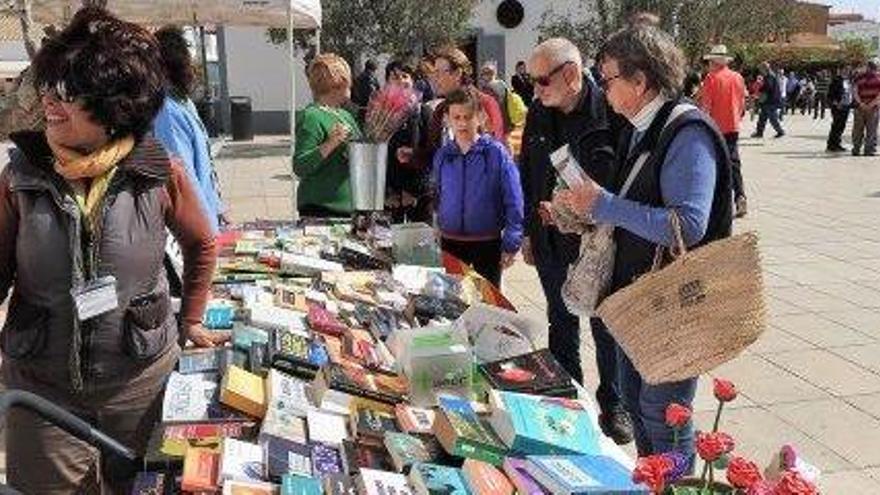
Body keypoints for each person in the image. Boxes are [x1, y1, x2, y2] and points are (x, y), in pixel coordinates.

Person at [0, 8, 221, 492]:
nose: (50, 101)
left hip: (139, 385)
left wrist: (194, 320)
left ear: (113, 105)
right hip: (42, 389)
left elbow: (203, 242)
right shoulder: (20, 175)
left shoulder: (160, 170)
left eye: (69, 92)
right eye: (50, 86)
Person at [554, 22, 732, 466]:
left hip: (673, 303)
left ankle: (675, 484)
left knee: (664, 414)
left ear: (640, 80)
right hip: (639, 299)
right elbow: (634, 204)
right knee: (637, 402)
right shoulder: (640, 127)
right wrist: (586, 209)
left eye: (608, 77)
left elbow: (687, 225)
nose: (603, 87)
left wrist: (606, 204)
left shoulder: (687, 131)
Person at [519, 37, 633, 445]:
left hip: (599, 244)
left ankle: (614, 404)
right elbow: (529, 172)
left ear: (570, 74)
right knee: (560, 321)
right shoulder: (538, 112)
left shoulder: (612, 113)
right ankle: (569, 393)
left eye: (541, 79)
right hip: (550, 241)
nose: (534, 88)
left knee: (605, 326)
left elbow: (625, 182)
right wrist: (530, 231)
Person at [432, 87, 523, 288]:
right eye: (457, 117)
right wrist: (437, 225)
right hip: (451, 242)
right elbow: (438, 193)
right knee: (454, 301)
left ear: (480, 117)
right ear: (447, 119)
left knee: (487, 303)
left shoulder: (495, 153)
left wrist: (512, 239)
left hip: (486, 243)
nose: (463, 123)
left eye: (468, 117)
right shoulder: (443, 155)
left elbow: (513, 198)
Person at [153, 25, 226, 232]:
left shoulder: (183, 102)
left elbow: (203, 168)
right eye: (188, 61)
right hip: (194, 232)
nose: (193, 68)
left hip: (206, 220)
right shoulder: (168, 111)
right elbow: (183, 183)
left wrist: (218, 208)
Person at [409, 47, 505, 174]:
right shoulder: (440, 110)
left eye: (440, 72)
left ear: (457, 73)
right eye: (434, 73)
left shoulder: (485, 103)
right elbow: (435, 154)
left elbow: (493, 151)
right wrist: (414, 155)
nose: (435, 78)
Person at [293, 53, 362, 216]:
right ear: (338, 84)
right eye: (348, 83)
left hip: (349, 207)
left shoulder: (345, 115)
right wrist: (331, 143)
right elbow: (300, 166)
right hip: (320, 208)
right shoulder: (311, 117)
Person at [699, 44, 748, 218]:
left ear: (714, 62)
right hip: (733, 126)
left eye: (710, 61)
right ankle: (740, 195)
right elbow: (743, 104)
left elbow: (706, 107)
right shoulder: (738, 77)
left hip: (715, 127)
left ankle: (720, 203)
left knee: (716, 165)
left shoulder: (711, 78)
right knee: (734, 162)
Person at [384, 59, 434, 223]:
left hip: (419, 197)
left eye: (405, 76)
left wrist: (413, 191)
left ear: (412, 82)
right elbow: (377, 156)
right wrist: (388, 192)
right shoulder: (380, 116)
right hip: (391, 198)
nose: (400, 80)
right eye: (394, 77)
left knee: (421, 245)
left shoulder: (424, 113)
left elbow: (432, 154)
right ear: (387, 83)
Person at [852, 59, 880, 157]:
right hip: (873, 108)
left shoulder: (858, 77)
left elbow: (854, 91)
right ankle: (869, 150)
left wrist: (861, 104)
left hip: (860, 108)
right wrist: (871, 104)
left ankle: (856, 149)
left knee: (858, 129)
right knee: (871, 130)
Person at [752, 62, 785, 138]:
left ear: (765, 69)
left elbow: (768, 87)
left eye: (761, 69)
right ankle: (759, 132)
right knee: (762, 117)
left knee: (772, 118)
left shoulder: (770, 76)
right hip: (768, 101)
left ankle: (780, 131)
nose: (760, 71)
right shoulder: (769, 76)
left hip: (771, 101)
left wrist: (760, 88)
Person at [827, 66, 852, 153]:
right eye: (845, 70)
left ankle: (837, 143)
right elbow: (830, 94)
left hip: (846, 106)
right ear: (840, 70)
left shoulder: (848, 81)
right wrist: (836, 103)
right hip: (838, 106)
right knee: (836, 125)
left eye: (848, 70)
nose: (847, 71)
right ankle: (831, 145)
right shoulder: (836, 80)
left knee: (841, 126)